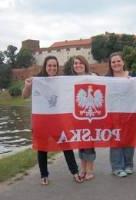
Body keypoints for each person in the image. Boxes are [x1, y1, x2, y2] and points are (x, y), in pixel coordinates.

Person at [22, 55, 83, 185]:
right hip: (42, 121)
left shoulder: (61, 81)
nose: (52, 68)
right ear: (45, 66)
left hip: (58, 120)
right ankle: (44, 175)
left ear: (57, 67)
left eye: (54, 65)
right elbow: (24, 96)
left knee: (67, 146)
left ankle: (75, 172)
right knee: (42, 148)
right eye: (49, 65)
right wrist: (27, 86)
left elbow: (77, 85)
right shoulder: (37, 80)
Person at [65, 55, 96, 181]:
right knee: (81, 143)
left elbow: (111, 84)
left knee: (89, 143)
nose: (77, 65)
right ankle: (83, 168)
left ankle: (89, 170)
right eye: (75, 63)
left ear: (85, 64)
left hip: (91, 116)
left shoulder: (93, 77)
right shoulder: (71, 80)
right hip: (77, 116)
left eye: (80, 63)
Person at [107, 52, 135, 177]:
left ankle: (128, 165)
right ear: (110, 64)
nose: (116, 63)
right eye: (113, 62)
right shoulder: (106, 78)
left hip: (130, 113)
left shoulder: (133, 76)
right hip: (113, 114)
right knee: (116, 140)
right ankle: (117, 167)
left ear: (123, 62)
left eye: (118, 61)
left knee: (129, 140)